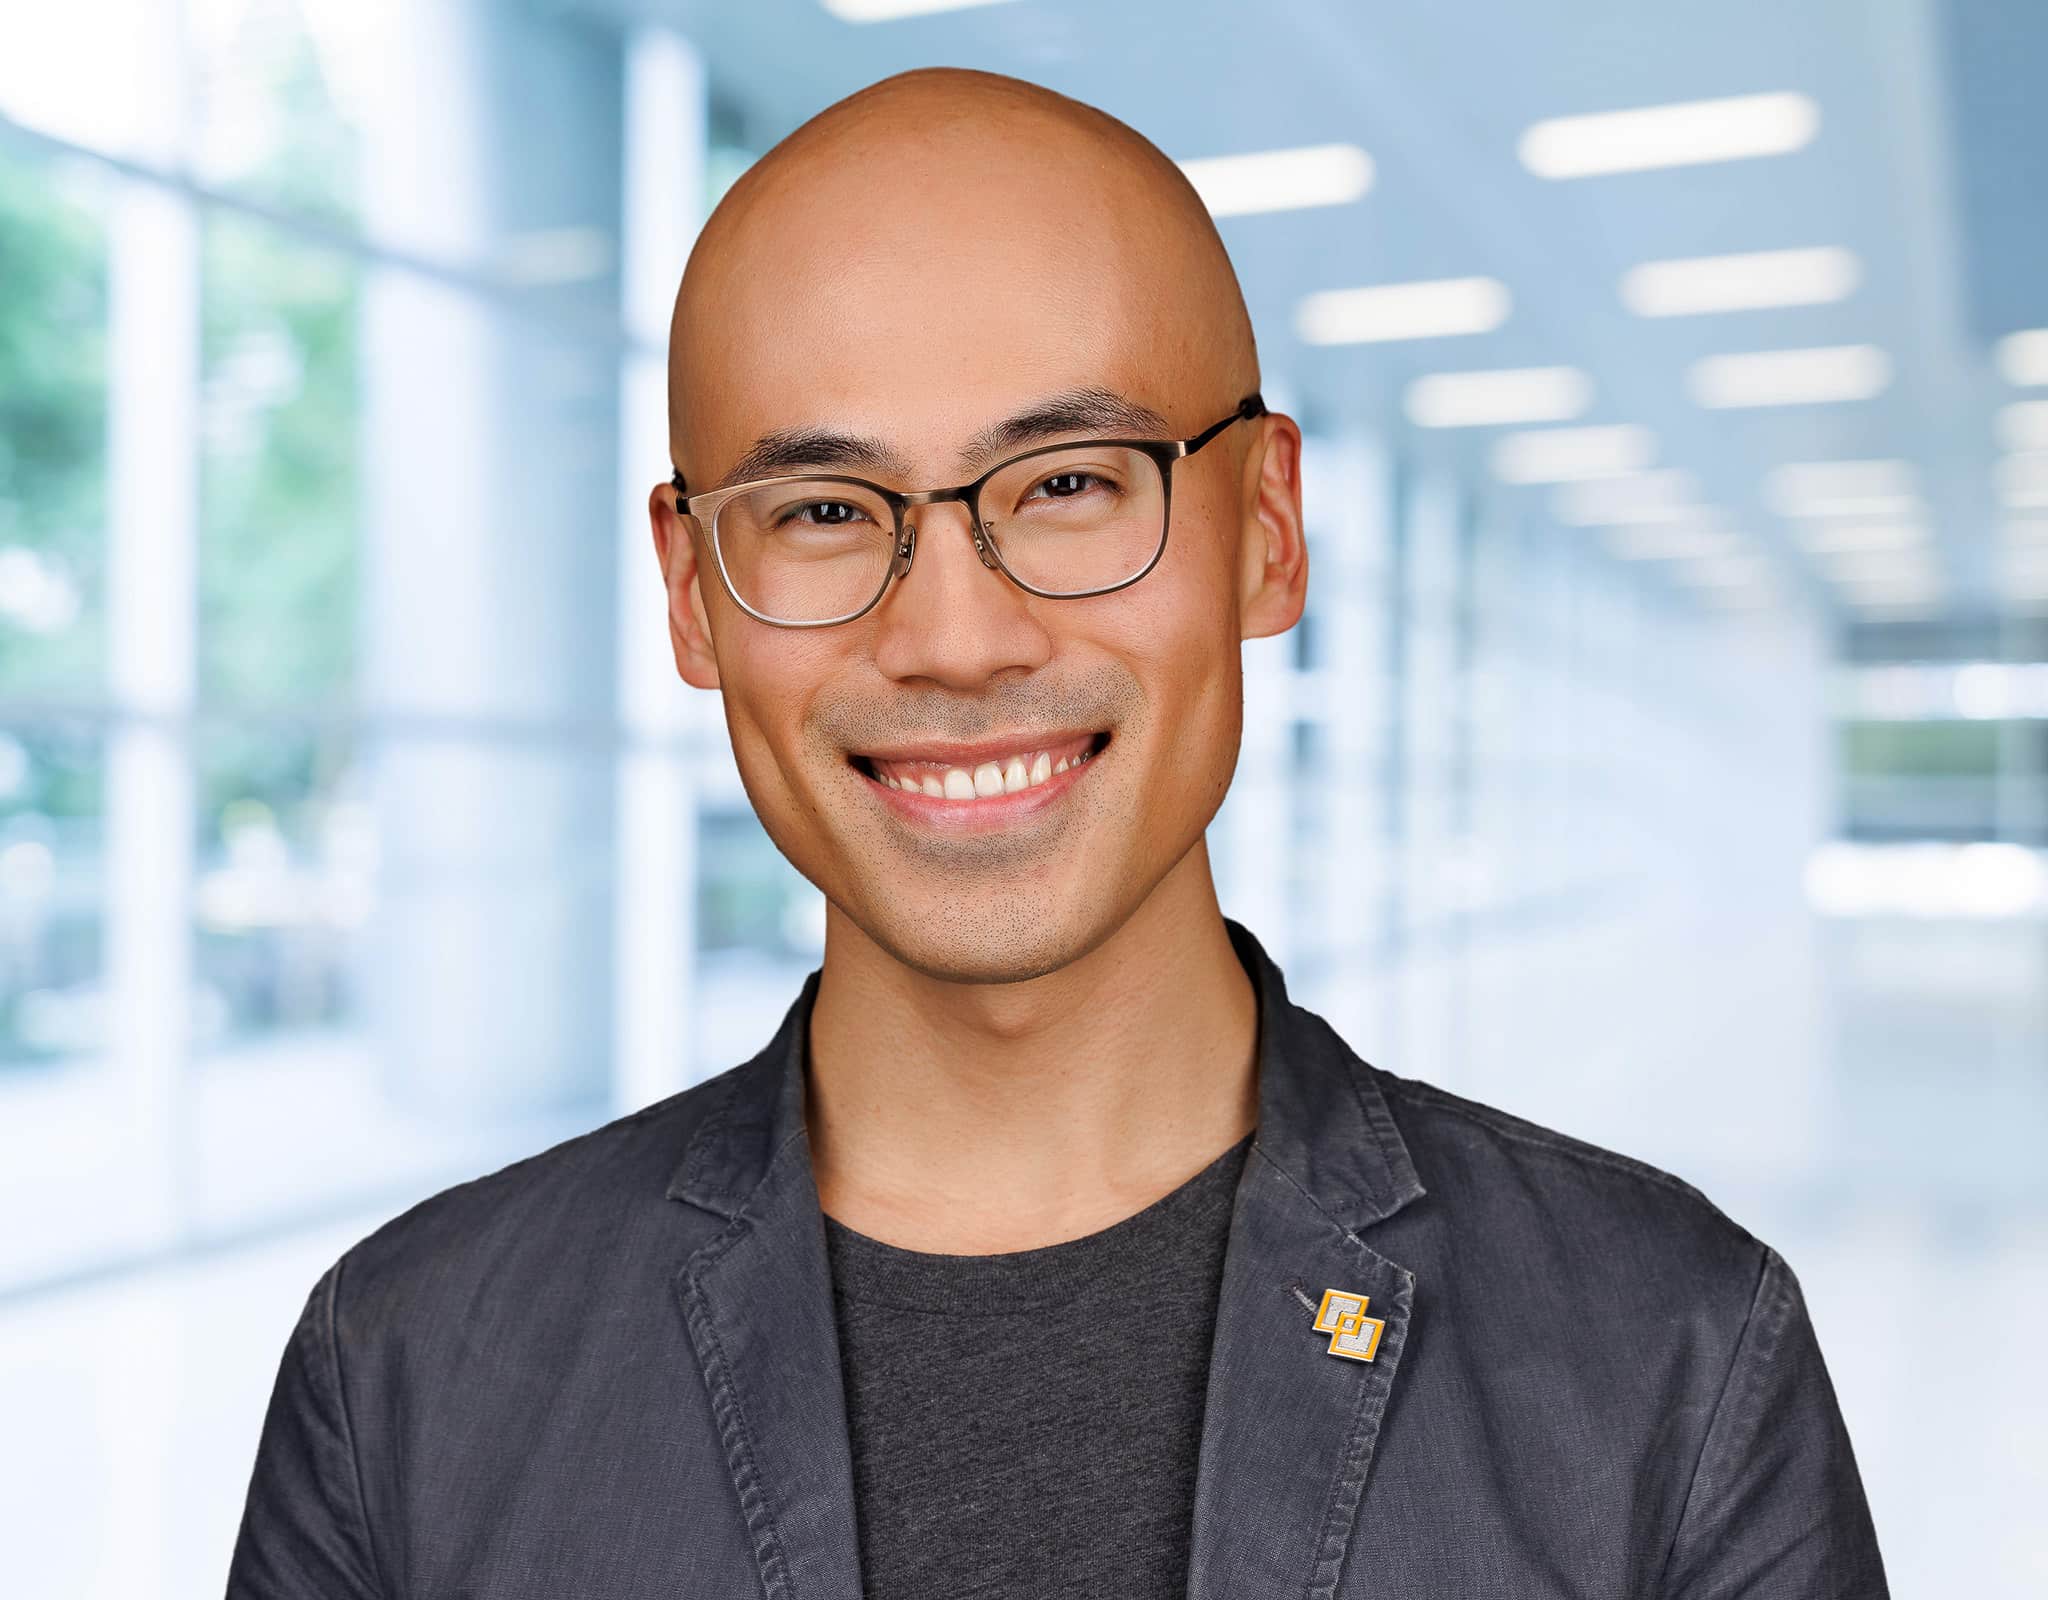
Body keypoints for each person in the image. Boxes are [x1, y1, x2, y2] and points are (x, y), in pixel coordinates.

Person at [227, 66, 1889, 1599]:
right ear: (691, 594)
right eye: (825, 512)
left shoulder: (1670, 1364)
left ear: (1267, 528)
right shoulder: (407, 1382)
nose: (956, 639)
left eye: (1072, 483)